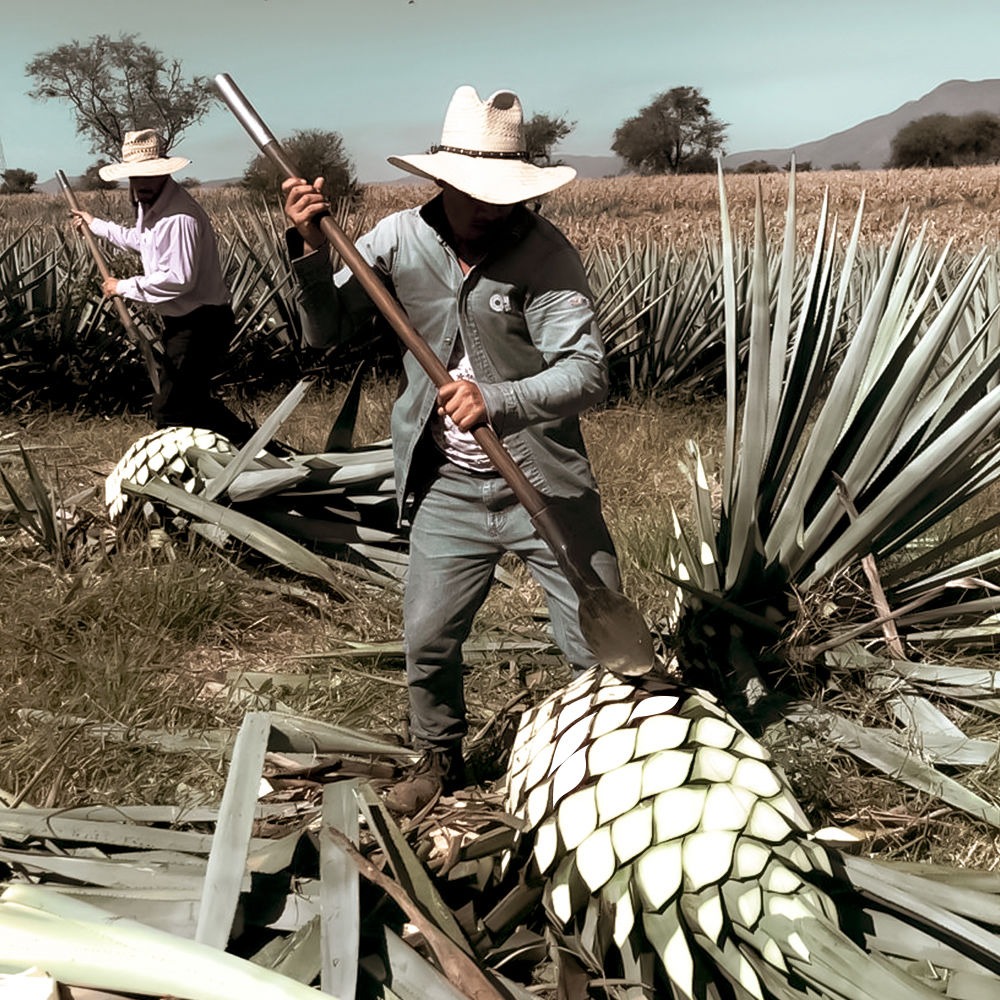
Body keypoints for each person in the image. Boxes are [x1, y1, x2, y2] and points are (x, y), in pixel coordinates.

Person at [282, 86, 622, 813]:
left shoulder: (545, 255)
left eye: (501, 195)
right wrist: (313, 252)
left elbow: (586, 371)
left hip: (543, 482)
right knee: (428, 638)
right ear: (439, 180)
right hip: (449, 484)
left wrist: (496, 400)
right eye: (473, 192)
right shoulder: (397, 239)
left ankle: (616, 767)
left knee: (598, 640)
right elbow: (327, 329)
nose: (489, 208)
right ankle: (438, 761)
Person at [70, 129, 255, 446]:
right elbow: (140, 242)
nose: (140, 183)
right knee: (192, 403)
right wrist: (94, 224)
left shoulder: (178, 217)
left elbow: (179, 280)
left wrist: (122, 286)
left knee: (171, 409)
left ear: (163, 172)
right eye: (134, 176)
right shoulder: (152, 205)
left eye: (147, 175)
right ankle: (255, 450)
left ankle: (182, 468)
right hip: (186, 321)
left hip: (202, 322)